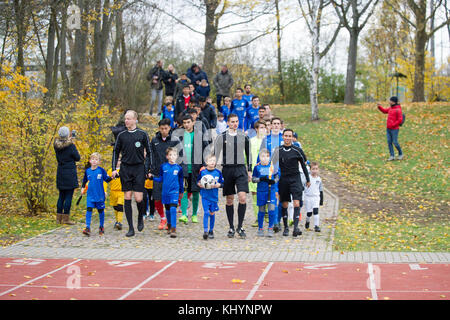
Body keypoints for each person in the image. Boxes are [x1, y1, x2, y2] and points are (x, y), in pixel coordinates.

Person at [112, 110, 152, 237]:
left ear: (135, 119)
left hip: (139, 168)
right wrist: (114, 168)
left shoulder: (142, 134)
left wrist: (147, 168)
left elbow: (150, 153)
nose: (126, 121)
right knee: (127, 197)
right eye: (125, 119)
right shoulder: (121, 135)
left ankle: (141, 216)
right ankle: (130, 228)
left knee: (139, 198)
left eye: (129, 119)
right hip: (125, 169)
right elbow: (115, 152)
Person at [214, 113, 252, 239]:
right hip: (228, 170)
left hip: (241, 169)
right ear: (228, 123)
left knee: (242, 197)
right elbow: (215, 154)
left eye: (236, 121)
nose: (235, 124)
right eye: (232, 122)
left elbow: (249, 153)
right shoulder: (222, 137)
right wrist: (213, 169)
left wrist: (250, 170)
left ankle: (240, 226)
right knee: (229, 199)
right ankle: (231, 227)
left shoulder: (243, 137)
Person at [271, 129, 310, 237]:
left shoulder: (297, 150)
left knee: (297, 203)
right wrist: (272, 180)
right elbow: (272, 167)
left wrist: (308, 179)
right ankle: (286, 228)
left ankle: (296, 228)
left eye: (290, 136)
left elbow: (303, 165)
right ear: (282, 137)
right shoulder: (278, 150)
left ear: (292, 137)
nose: (287, 138)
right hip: (283, 179)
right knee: (284, 204)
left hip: (295, 178)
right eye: (286, 136)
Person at [150, 118, 182, 231]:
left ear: (170, 128)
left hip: (171, 174)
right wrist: (149, 169)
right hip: (158, 173)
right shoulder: (154, 140)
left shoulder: (175, 140)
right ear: (159, 128)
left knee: (170, 201)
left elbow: (181, 156)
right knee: (157, 199)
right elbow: (150, 156)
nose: (164, 131)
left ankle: (170, 222)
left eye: (166, 128)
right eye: (162, 128)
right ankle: (163, 218)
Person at [178, 114, 208, 224]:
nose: (186, 125)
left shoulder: (199, 135)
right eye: (184, 123)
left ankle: (194, 214)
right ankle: (184, 214)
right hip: (184, 168)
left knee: (195, 191)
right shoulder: (179, 135)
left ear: (193, 122)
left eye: (188, 122)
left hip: (196, 168)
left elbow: (206, 150)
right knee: (184, 191)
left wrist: (204, 165)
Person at [150, 147, 184, 238]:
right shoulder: (163, 166)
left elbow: (181, 181)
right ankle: (169, 225)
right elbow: (161, 178)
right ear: (167, 156)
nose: (172, 156)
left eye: (174, 155)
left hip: (175, 191)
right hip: (165, 192)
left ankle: (173, 228)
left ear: (176, 156)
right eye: (170, 155)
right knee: (168, 210)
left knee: (173, 209)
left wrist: (181, 191)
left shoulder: (179, 168)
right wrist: (152, 178)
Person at [81, 153, 112, 236]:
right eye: (93, 159)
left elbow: (107, 179)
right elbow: (84, 181)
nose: (94, 161)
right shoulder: (87, 171)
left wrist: (113, 176)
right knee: (89, 209)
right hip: (90, 194)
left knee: (100, 211)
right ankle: (87, 227)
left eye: (96, 159)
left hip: (100, 195)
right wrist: (82, 188)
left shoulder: (101, 170)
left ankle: (101, 226)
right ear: (90, 161)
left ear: (99, 162)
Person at [54, 126, 80, 225]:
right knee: (68, 196)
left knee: (61, 196)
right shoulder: (71, 146)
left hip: (60, 172)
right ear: (68, 134)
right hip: (69, 173)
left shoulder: (56, 145)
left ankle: (58, 218)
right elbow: (77, 157)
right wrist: (72, 142)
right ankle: (66, 218)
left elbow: (63, 145)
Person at [252, 148, 280, 237]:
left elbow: (277, 176)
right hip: (261, 191)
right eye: (263, 156)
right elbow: (253, 179)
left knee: (271, 209)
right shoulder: (257, 167)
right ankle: (260, 228)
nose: (265, 158)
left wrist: (274, 181)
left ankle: (270, 228)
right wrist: (260, 179)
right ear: (259, 157)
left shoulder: (272, 166)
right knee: (262, 210)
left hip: (271, 191)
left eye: (267, 156)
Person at [197, 154, 224, 240]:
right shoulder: (203, 172)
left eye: (214, 160)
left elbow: (222, 184)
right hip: (205, 196)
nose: (212, 162)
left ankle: (211, 230)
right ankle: (205, 231)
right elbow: (198, 182)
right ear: (206, 162)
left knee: (212, 213)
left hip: (214, 197)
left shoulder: (218, 172)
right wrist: (201, 185)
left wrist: (218, 185)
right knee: (206, 212)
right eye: (210, 160)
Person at [249, 120, 267, 227]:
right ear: (256, 129)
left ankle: (266, 214)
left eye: (264, 128)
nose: (263, 130)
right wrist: (248, 171)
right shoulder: (251, 141)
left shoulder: (268, 141)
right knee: (255, 194)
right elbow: (247, 157)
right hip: (254, 172)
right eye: (261, 128)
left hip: (266, 171)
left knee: (266, 193)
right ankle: (257, 217)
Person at [377, 96, 404, 161]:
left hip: (394, 129)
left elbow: (400, 120)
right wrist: (379, 107)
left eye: (390, 101)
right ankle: (392, 156)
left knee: (395, 142)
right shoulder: (390, 108)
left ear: (393, 102)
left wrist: (393, 125)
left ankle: (401, 154)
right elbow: (384, 111)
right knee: (389, 142)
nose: (389, 101)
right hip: (388, 129)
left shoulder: (398, 109)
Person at [304, 162, 323, 232]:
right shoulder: (307, 178)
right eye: (313, 169)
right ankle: (307, 221)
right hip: (308, 197)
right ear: (310, 169)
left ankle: (316, 226)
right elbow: (303, 186)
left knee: (316, 211)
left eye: (316, 169)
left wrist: (321, 200)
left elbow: (321, 189)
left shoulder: (319, 179)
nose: (315, 171)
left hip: (316, 197)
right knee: (309, 212)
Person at [107, 157, 124, 230]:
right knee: (115, 207)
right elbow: (105, 181)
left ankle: (119, 222)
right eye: (116, 160)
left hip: (121, 191)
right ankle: (117, 221)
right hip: (113, 191)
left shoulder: (123, 170)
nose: (117, 162)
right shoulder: (110, 171)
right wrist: (104, 190)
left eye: (119, 160)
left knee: (120, 205)